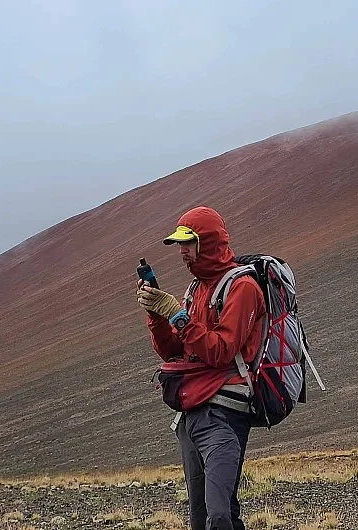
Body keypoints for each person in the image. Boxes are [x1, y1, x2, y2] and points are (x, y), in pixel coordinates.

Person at [136, 206, 265, 530]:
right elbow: (174, 353)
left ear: (206, 242)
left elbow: (221, 351)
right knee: (201, 517)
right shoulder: (196, 289)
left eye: (187, 242)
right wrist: (158, 316)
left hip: (225, 413)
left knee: (219, 514)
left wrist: (178, 315)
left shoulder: (243, 288)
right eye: (179, 244)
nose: (181, 251)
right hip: (191, 413)